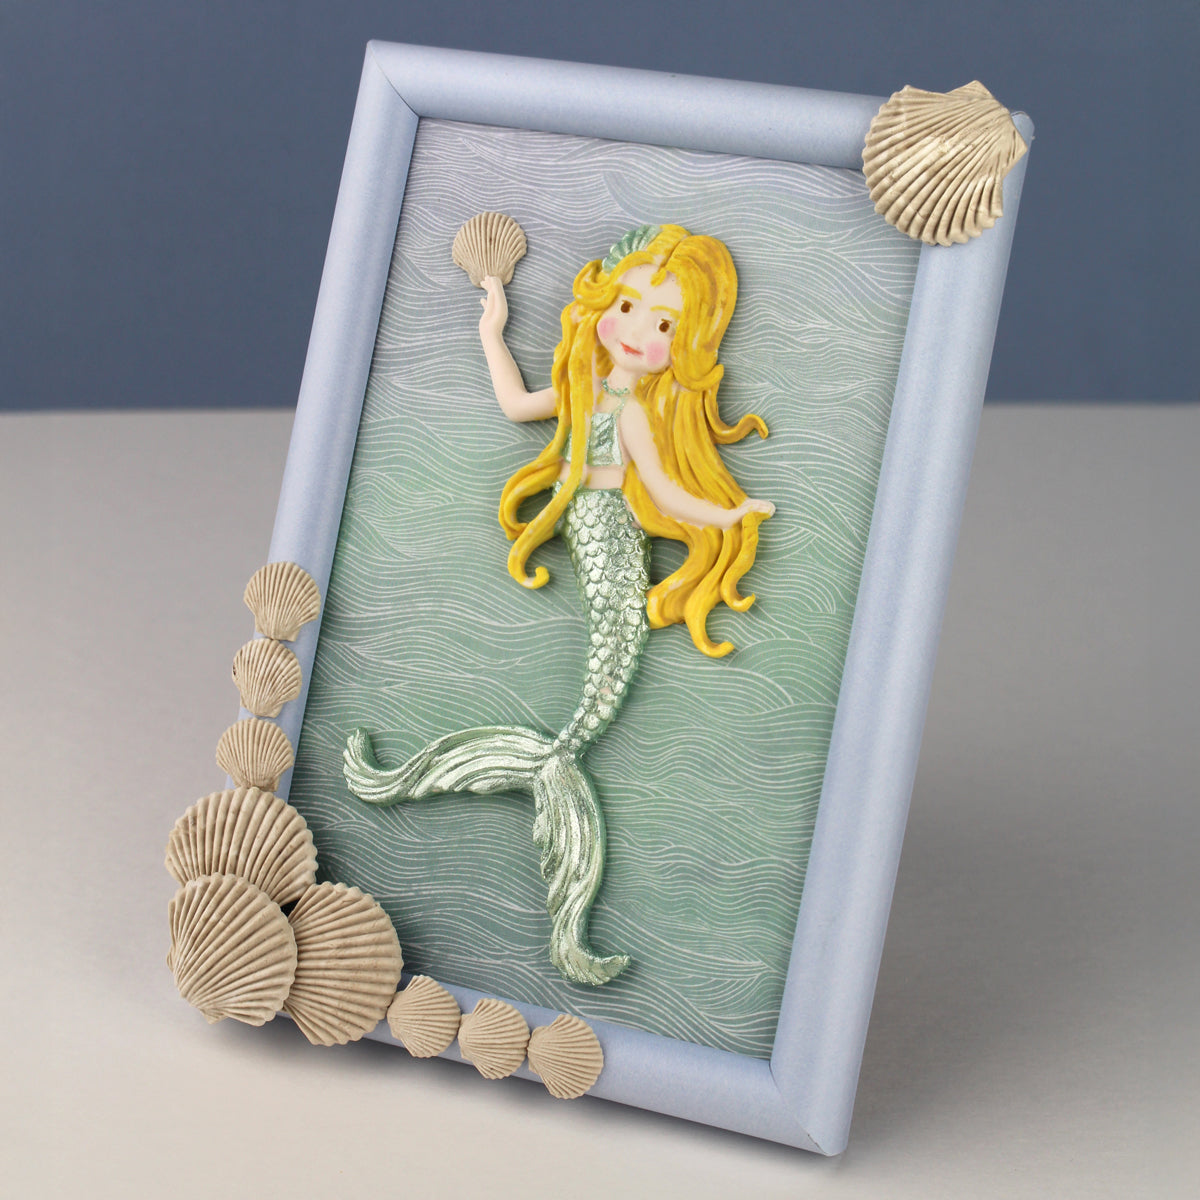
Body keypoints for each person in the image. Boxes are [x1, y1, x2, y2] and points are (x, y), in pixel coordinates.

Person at [344, 224, 774, 985]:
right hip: (603, 532)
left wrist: (724, 514)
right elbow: (530, 413)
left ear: (686, 344)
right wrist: (492, 327)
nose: (639, 331)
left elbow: (657, 485)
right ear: (601, 303)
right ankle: (546, 774)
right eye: (629, 307)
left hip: (598, 527)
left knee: (605, 675)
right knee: (604, 674)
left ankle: (532, 774)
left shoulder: (622, 404)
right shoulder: (602, 396)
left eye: (665, 323)